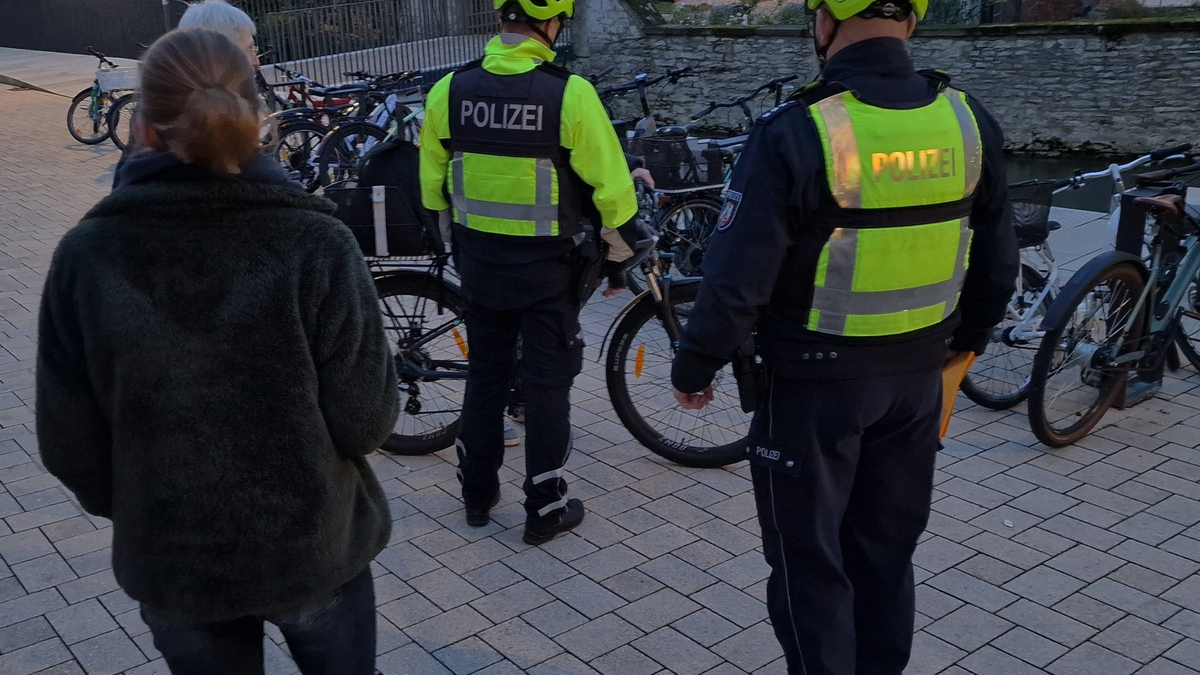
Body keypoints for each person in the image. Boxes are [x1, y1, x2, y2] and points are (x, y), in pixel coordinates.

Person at [670, 1, 1018, 673]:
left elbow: (737, 279)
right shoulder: (967, 120)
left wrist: (694, 364)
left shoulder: (795, 131)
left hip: (811, 393)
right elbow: (998, 265)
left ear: (826, 20)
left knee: (813, 567)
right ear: (910, 20)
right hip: (916, 383)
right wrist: (963, 340)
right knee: (885, 557)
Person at [36, 28, 397, 675]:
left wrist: (148, 500)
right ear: (259, 119)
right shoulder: (315, 240)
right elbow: (366, 418)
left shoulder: (87, 257)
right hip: (312, 544)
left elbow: (69, 443)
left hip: (176, 560)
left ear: (141, 126)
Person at [419, 0, 639, 544]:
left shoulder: (449, 90)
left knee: (487, 376)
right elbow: (612, 193)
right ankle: (545, 507)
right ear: (552, 22)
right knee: (546, 386)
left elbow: (433, 191)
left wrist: (463, 248)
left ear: (503, 19)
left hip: (482, 270)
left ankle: (476, 492)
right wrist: (620, 254)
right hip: (548, 276)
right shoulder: (570, 94)